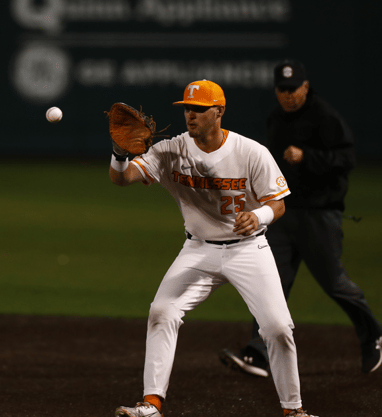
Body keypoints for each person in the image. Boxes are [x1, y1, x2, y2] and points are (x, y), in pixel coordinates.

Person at [110, 80, 317, 417]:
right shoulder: (171, 150)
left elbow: (277, 205)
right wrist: (120, 155)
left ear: (219, 111)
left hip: (249, 250)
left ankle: (293, 410)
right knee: (162, 312)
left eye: (199, 109)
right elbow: (122, 178)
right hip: (198, 250)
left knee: (278, 327)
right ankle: (151, 404)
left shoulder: (250, 152)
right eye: (187, 109)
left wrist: (258, 215)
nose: (190, 115)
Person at [218, 60, 382, 378]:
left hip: (320, 216)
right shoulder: (276, 120)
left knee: (334, 283)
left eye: (294, 89)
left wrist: (308, 157)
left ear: (305, 87)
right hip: (283, 215)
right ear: (276, 90)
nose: (288, 95)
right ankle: (260, 352)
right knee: (269, 283)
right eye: (283, 89)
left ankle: (371, 334)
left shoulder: (325, 117)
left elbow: (347, 158)